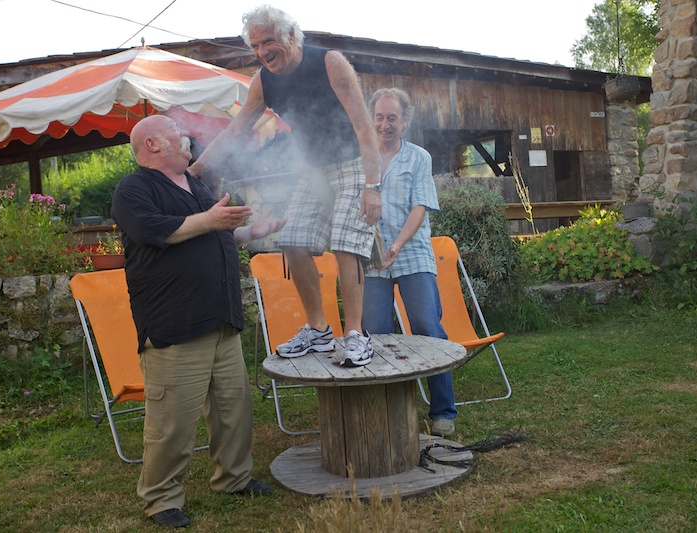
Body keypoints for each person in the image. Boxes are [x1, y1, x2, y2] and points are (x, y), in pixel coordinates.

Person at [111, 115, 285, 528]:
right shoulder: (134, 188)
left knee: (233, 410)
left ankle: (234, 478)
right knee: (172, 421)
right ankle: (160, 499)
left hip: (220, 318)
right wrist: (213, 220)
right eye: (178, 132)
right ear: (153, 144)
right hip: (175, 323)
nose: (187, 138)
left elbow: (215, 235)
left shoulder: (197, 186)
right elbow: (159, 231)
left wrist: (251, 232)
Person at [189, 4, 382, 367]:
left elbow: (363, 125)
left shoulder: (330, 63)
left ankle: (356, 334)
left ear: (291, 36)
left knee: (345, 243)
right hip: (313, 168)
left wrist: (373, 185)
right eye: (255, 46)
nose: (262, 52)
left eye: (268, 42)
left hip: (353, 163)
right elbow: (235, 131)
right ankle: (319, 331)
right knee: (291, 239)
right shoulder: (263, 81)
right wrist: (194, 171)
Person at [361, 88, 458, 438]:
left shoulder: (419, 157)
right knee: (373, 331)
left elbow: (420, 206)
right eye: (380, 117)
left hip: (412, 251)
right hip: (372, 258)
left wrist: (398, 246)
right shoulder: (361, 158)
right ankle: (385, 412)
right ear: (371, 118)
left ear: (405, 120)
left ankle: (443, 411)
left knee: (428, 327)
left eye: (392, 117)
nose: (385, 124)